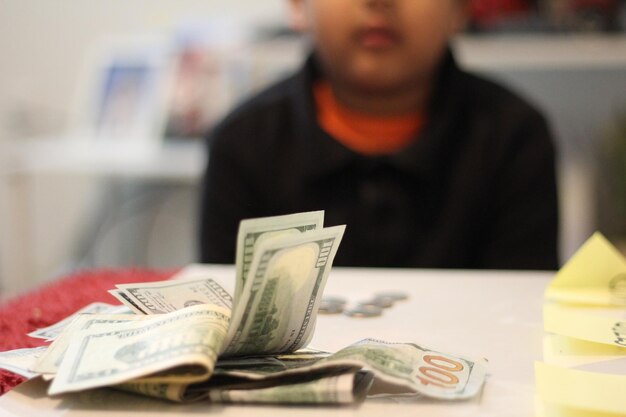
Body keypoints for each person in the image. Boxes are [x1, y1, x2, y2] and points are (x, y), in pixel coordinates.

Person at [199, 0, 559, 270]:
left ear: (460, 9)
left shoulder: (514, 137)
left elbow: (519, 314)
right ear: (297, 5)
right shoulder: (243, 143)